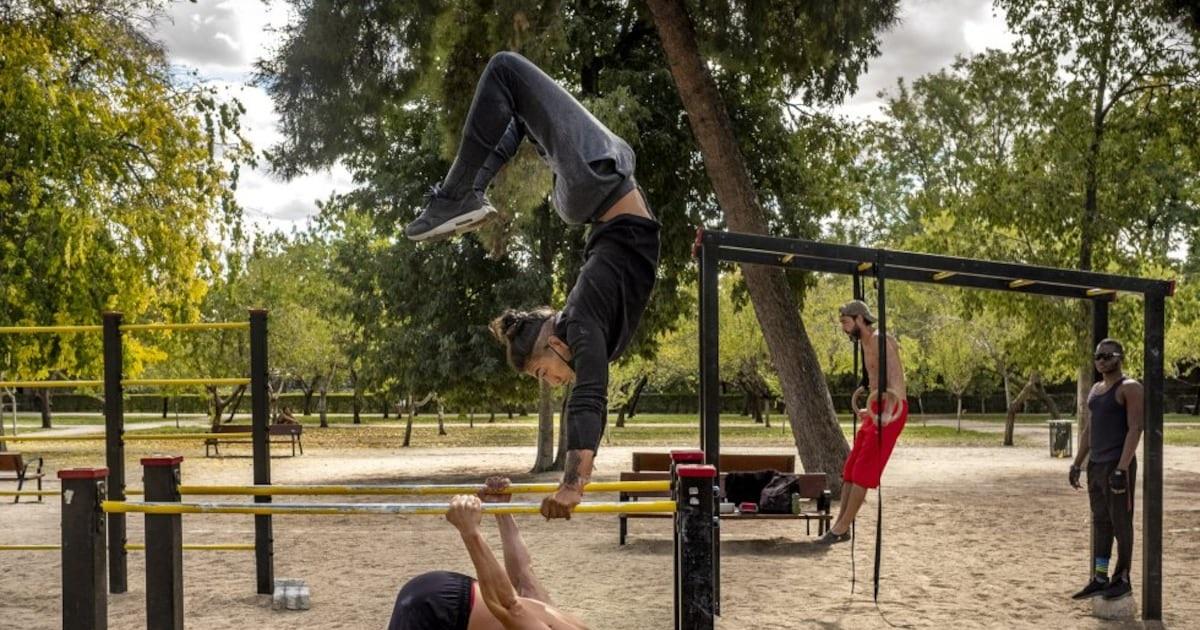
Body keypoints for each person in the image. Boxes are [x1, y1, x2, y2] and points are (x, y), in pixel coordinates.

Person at [405, 51, 660, 520]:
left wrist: (572, 485)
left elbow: (588, 400)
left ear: (551, 342)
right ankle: (468, 192)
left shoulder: (579, 323)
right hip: (600, 192)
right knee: (518, 104)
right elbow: (589, 397)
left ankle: (458, 195)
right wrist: (578, 480)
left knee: (504, 70)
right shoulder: (588, 331)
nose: (554, 382)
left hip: (598, 178)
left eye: (543, 373)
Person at [387, 478, 590, 629]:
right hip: (441, 612)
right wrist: (471, 531)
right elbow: (508, 606)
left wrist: (501, 511)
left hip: (448, 590)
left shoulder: (571, 625)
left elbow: (523, 578)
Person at [817, 299, 908, 545]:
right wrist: (870, 408)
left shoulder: (880, 340)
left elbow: (896, 381)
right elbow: (875, 381)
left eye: (846, 323)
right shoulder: (865, 344)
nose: (844, 329)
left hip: (891, 409)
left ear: (859, 319)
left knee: (864, 472)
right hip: (877, 406)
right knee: (850, 469)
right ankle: (840, 525)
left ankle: (841, 528)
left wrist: (886, 412)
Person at [1068, 339, 1144, 601]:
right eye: (1098, 356)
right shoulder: (1096, 389)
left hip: (1116, 464)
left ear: (1119, 357)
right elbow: (1089, 429)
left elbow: (1135, 428)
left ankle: (1122, 577)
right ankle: (1100, 576)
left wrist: (1122, 468)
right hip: (1096, 466)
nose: (1100, 360)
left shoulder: (1130, 388)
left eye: (1107, 355)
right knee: (1101, 522)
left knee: (1121, 522)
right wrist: (1077, 462)